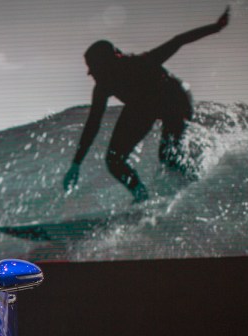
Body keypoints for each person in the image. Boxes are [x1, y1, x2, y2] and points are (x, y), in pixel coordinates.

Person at [63, 7, 230, 202]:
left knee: (169, 158)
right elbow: (93, 124)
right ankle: (141, 196)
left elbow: (178, 41)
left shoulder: (141, 63)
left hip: (174, 100)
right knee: (114, 160)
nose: (93, 74)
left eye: (95, 68)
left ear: (111, 61)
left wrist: (216, 27)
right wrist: (76, 163)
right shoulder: (103, 86)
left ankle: (197, 188)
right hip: (143, 106)